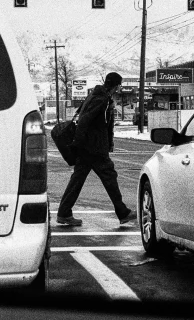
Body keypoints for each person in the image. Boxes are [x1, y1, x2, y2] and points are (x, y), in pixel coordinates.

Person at [56, 72, 137, 227]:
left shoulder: (96, 95)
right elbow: (84, 121)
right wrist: (79, 143)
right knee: (109, 177)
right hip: (94, 148)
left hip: (89, 147)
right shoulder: (101, 99)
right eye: (119, 85)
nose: (119, 88)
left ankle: (64, 213)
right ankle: (123, 212)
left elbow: (96, 122)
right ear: (116, 85)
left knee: (77, 180)